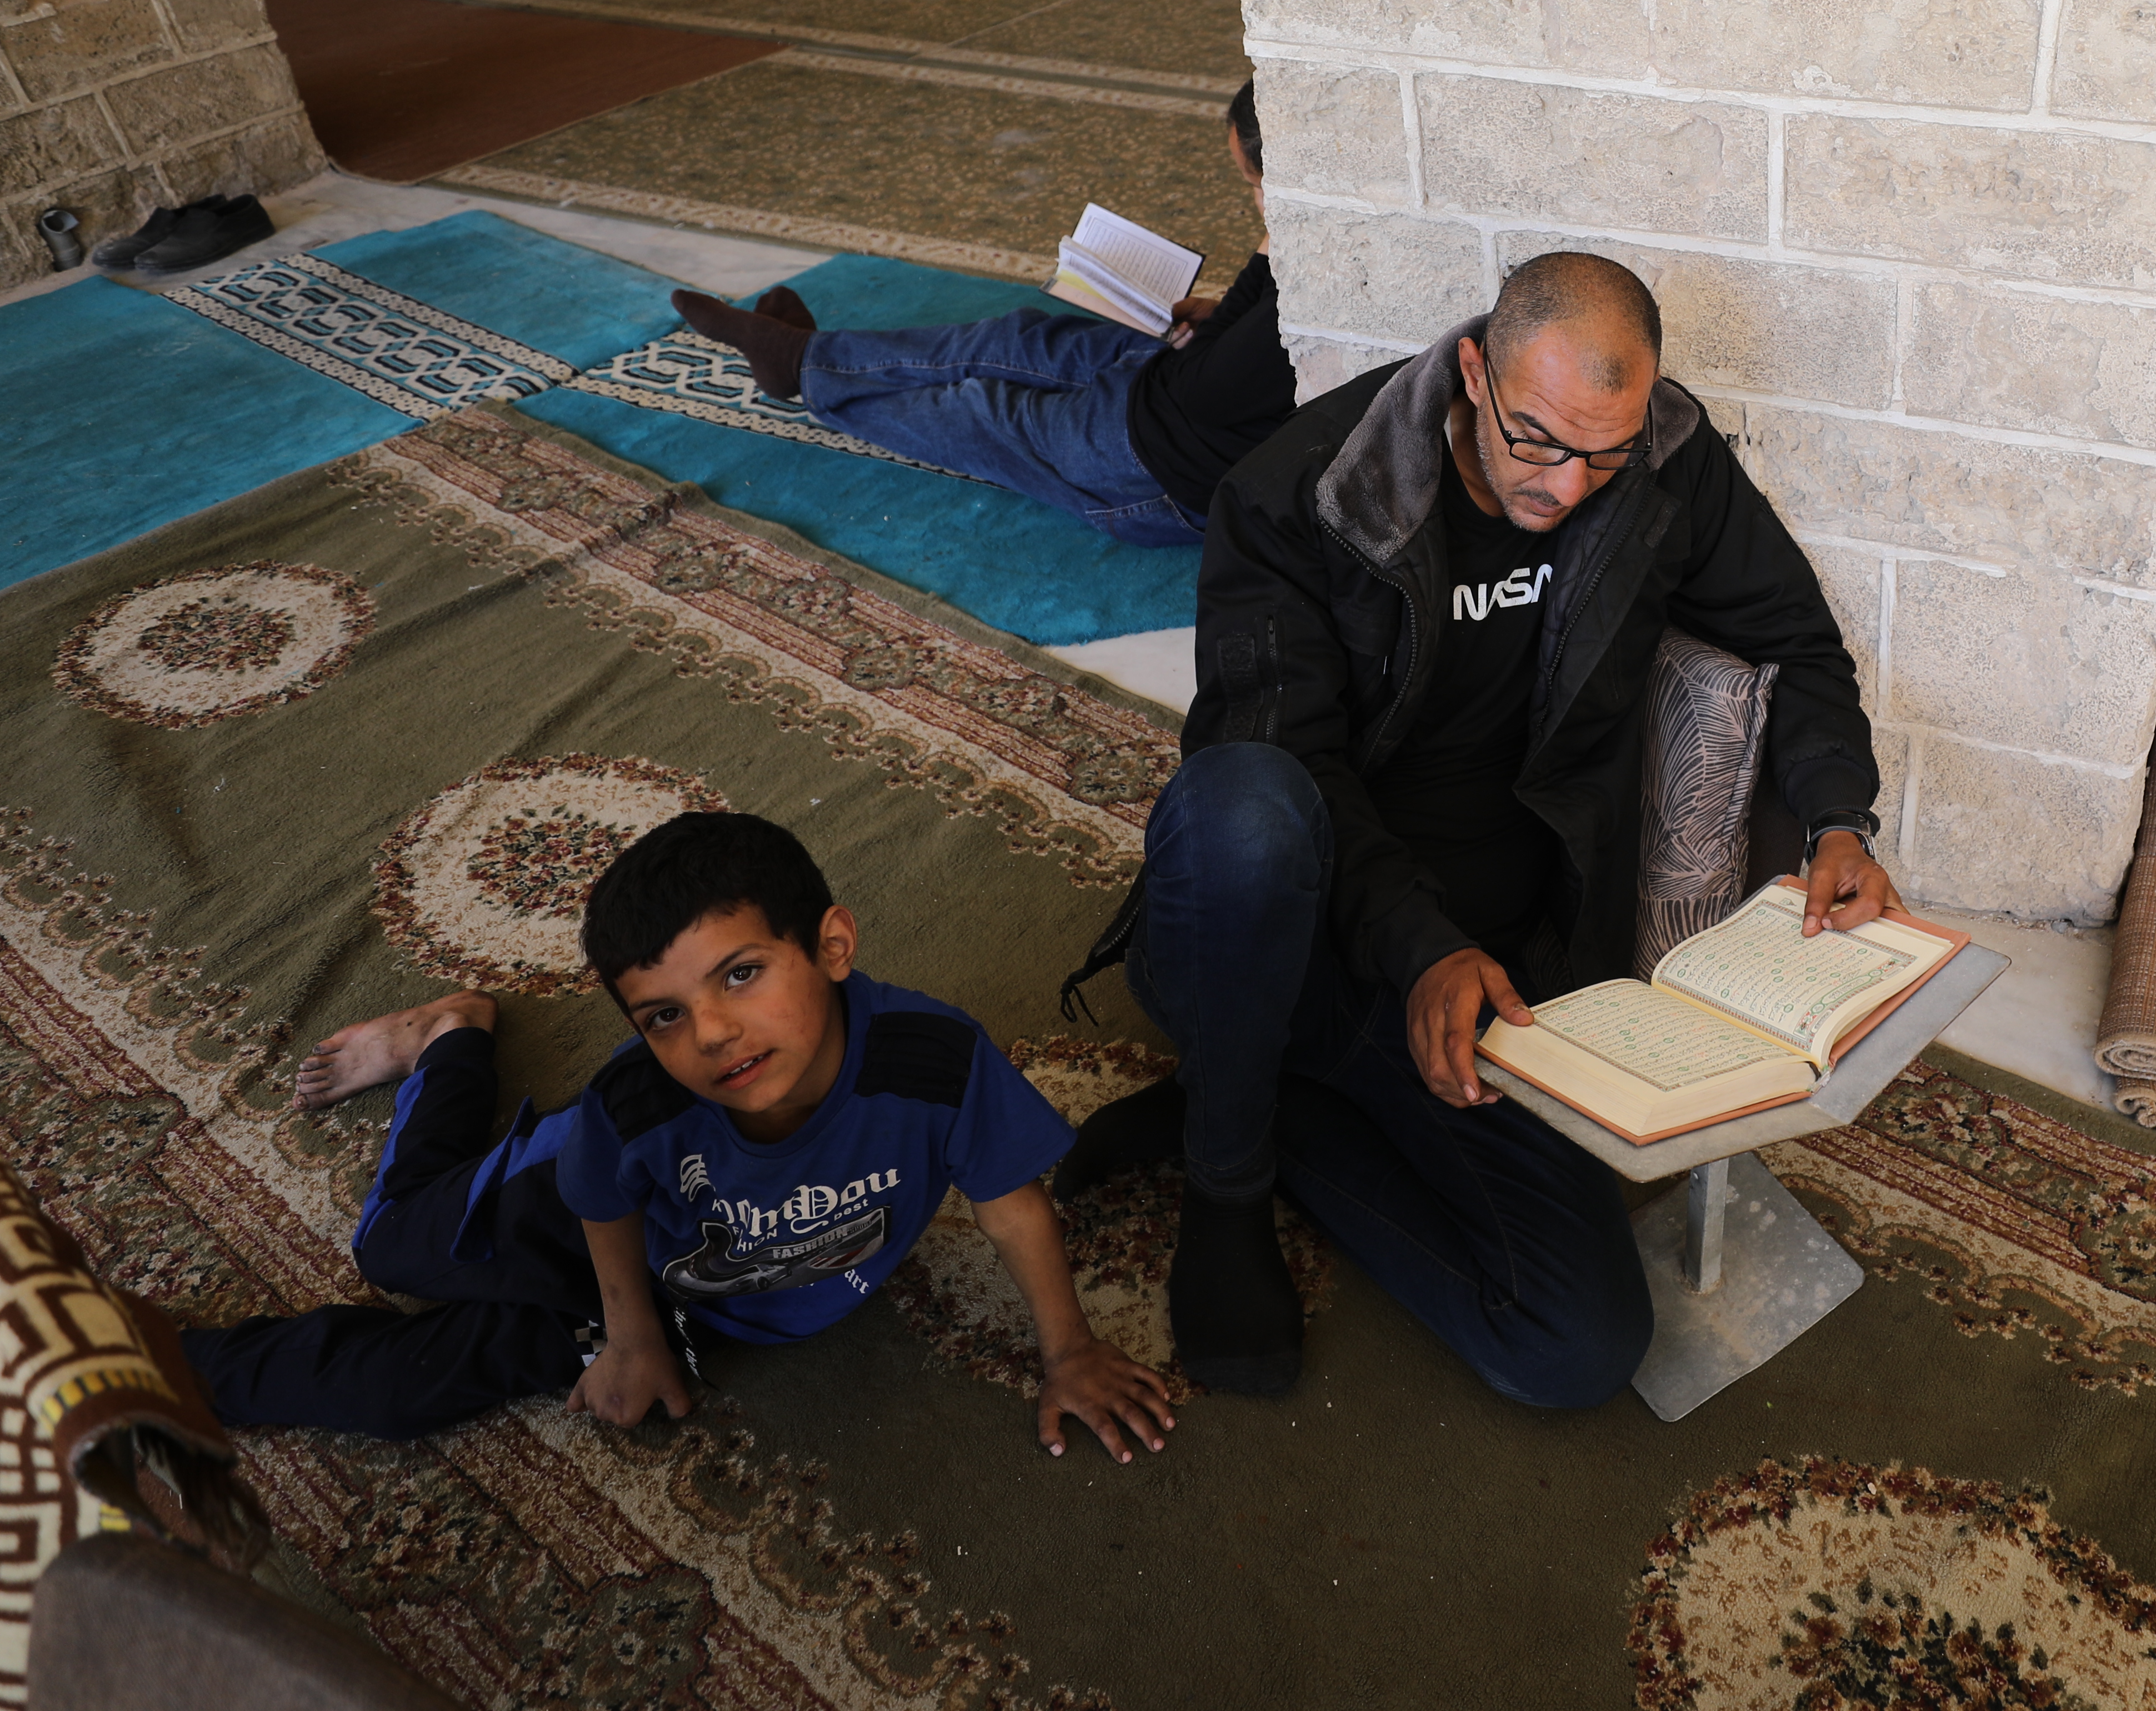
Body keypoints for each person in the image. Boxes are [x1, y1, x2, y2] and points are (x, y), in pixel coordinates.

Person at [1053, 251, 1889, 1405]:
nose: (1569, 485)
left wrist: (1839, 819)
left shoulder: (1662, 458)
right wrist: (1419, 948)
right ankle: (1226, 1178)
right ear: (1474, 373)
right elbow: (1285, 757)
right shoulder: (1306, 491)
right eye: (1536, 439)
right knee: (1244, 804)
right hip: (1295, 928)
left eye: (1605, 452)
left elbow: (1795, 639)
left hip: (1504, 975)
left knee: (1575, 1345)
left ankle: (1249, 1097)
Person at [179, 813, 1180, 1458]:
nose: (710, 1035)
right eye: (662, 1015)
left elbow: (1012, 1205)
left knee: (401, 1393)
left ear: (832, 946)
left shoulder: (935, 1062)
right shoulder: (637, 1102)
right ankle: (450, 1039)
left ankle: (176, 1370)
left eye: (741, 975)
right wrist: (630, 1338)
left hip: (687, 1294)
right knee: (389, 1249)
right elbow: (598, 1201)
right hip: (568, 1211)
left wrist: (1070, 1352)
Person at [668, 82, 1294, 544]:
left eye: (1255, 185)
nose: (1256, 203)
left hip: (1160, 472)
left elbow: (1205, 390)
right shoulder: (1310, 251)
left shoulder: (1312, 315)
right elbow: (1239, 344)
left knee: (982, 410)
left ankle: (804, 372)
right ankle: (802, 356)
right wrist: (1231, 305)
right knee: (1019, 338)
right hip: (1178, 388)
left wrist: (1257, 273)